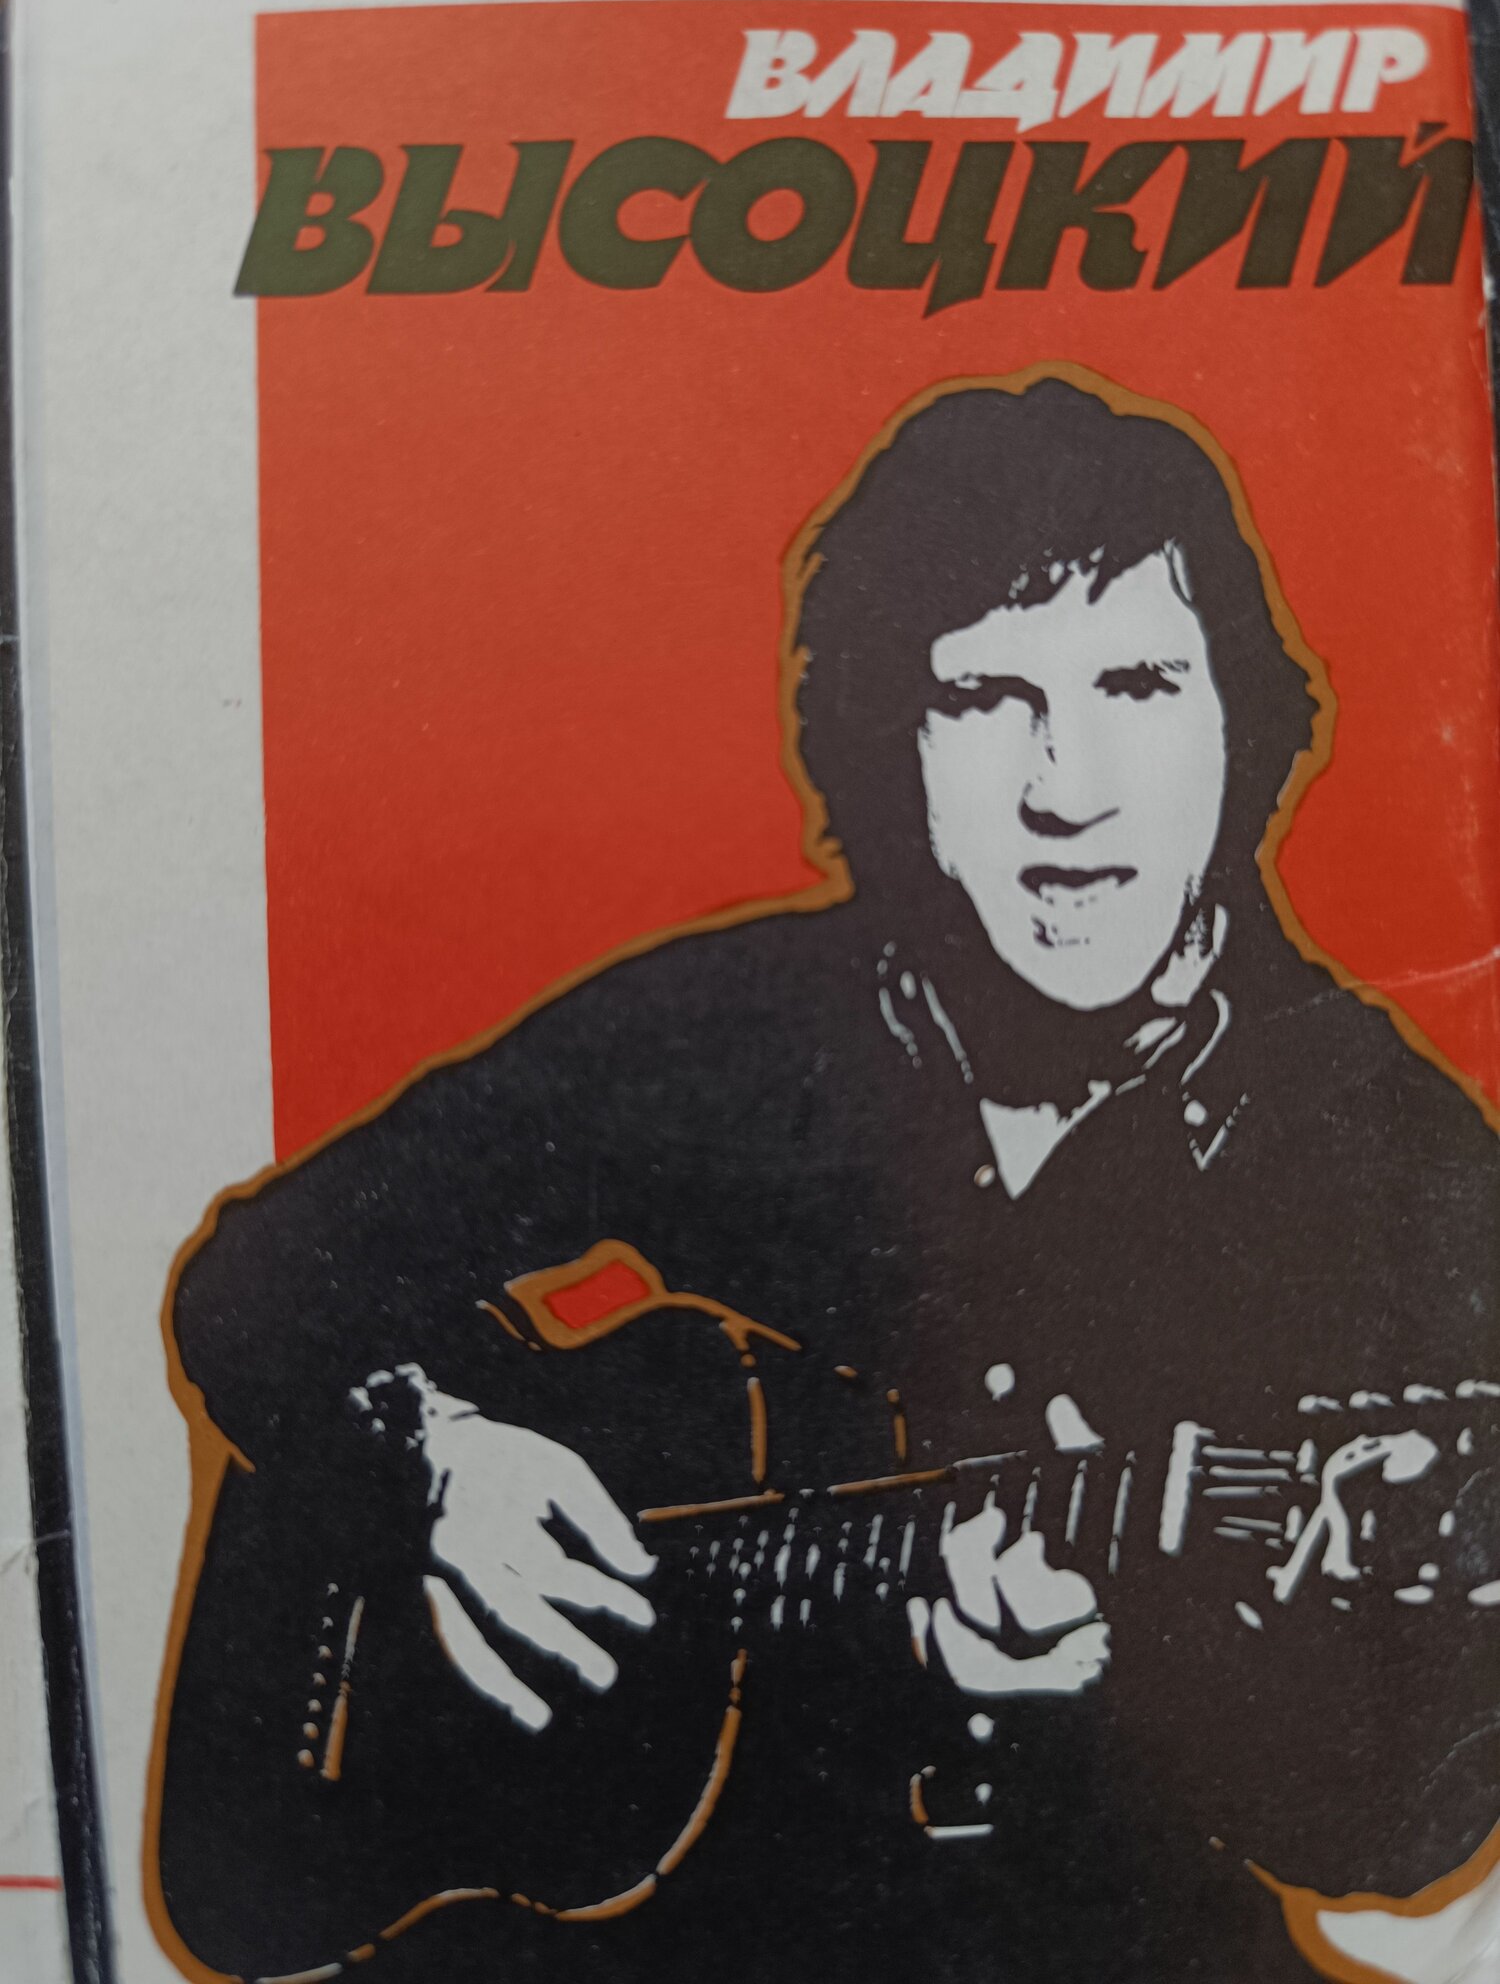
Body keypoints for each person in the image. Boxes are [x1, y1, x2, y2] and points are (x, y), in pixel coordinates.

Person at [149, 369, 1500, 1984]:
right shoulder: (743, 1025)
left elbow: (1397, 1829)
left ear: (1242, 719)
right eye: (985, 696)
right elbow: (260, 1277)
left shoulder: (1387, 1152)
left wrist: (1141, 1672)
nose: (1070, 788)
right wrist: (442, 1458)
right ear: (884, 741)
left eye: (1140, 683)